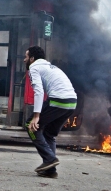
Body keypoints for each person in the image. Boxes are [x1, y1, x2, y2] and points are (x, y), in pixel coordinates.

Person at [24, 45, 77, 179]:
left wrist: (36, 116)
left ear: (32, 58)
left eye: (26, 57)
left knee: (31, 126)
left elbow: (38, 91)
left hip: (58, 101)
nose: (24, 60)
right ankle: (50, 170)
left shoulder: (34, 67)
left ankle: (50, 159)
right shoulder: (51, 67)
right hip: (71, 103)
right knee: (49, 134)